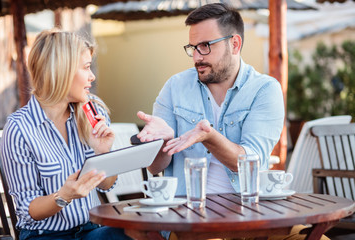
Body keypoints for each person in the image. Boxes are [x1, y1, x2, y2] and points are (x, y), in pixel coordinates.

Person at [137, 3, 330, 240]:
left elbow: (252, 163)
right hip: (189, 222)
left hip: (254, 219)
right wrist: (163, 141)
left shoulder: (264, 90)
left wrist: (210, 137)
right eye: (193, 48)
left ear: (235, 44)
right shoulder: (174, 87)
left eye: (205, 46)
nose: (197, 57)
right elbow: (155, 167)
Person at [0, 29, 131, 240]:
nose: (92, 76)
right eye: (86, 67)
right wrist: (64, 196)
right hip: (45, 236)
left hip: (91, 230)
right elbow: (27, 209)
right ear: (62, 71)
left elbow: (108, 185)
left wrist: (103, 153)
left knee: (144, 234)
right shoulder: (20, 129)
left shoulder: (93, 113)